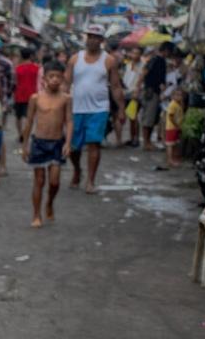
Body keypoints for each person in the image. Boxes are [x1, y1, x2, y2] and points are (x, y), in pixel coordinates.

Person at [69, 23, 121, 192]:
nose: (91, 40)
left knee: (94, 144)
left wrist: (120, 109)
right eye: (89, 36)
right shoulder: (75, 59)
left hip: (99, 109)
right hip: (76, 108)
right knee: (73, 147)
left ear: (101, 40)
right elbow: (65, 83)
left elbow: (115, 86)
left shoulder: (109, 60)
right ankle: (77, 169)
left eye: (95, 37)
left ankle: (90, 181)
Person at [22, 59, 71, 226]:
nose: (55, 80)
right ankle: (36, 214)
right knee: (39, 180)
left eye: (58, 76)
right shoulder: (35, 98)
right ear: (44, 79)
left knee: (55, 181)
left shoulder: (65, 99)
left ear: (63, 78)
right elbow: (29, 122)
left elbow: (69, 121)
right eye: (51, 76)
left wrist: (68, 143)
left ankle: (50, 202)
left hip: (57, 142)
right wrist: (25, 145)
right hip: (39, 142)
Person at [13, 43, 40, 144]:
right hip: (32, 95)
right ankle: (26, 134)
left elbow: (15, 82)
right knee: (28, 117)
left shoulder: (18, 68)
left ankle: (20, 134)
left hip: (19, 95)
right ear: (31, 56)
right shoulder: (36, 68)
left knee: (18, 116)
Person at [120, 46, 145, 147]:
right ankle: (132, 138)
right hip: (126, 92)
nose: (135, 55)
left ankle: (136, 139)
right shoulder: (128, 65)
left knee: (134, 116)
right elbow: (125, 78)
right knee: (130, 116)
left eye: (137, 53)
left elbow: (142, 80)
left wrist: (137, 91)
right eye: (133, 53)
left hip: (135, 93)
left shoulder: (143, 66)